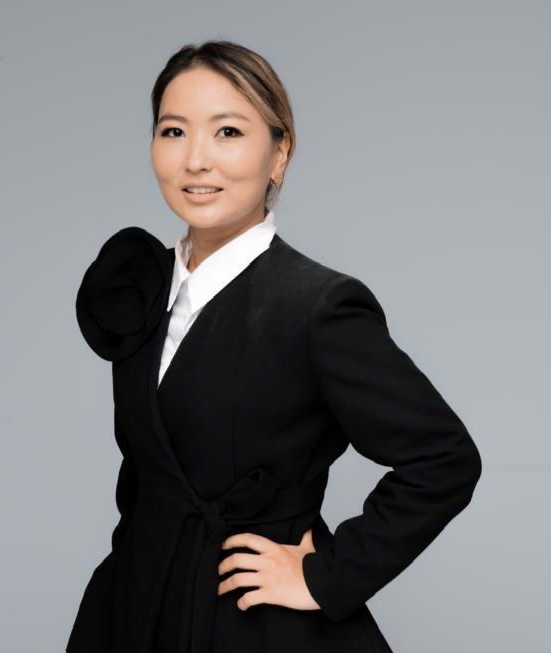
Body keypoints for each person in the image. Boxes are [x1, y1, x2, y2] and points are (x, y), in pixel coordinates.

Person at [65, 40, 482, 653]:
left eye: (228, 132)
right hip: (131, 611)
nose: (196, 160)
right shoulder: (140, 287)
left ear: (279, 154)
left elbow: (445, 458)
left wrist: (326, 576)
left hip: (246, 621)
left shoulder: (317, 306)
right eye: (174, 131)